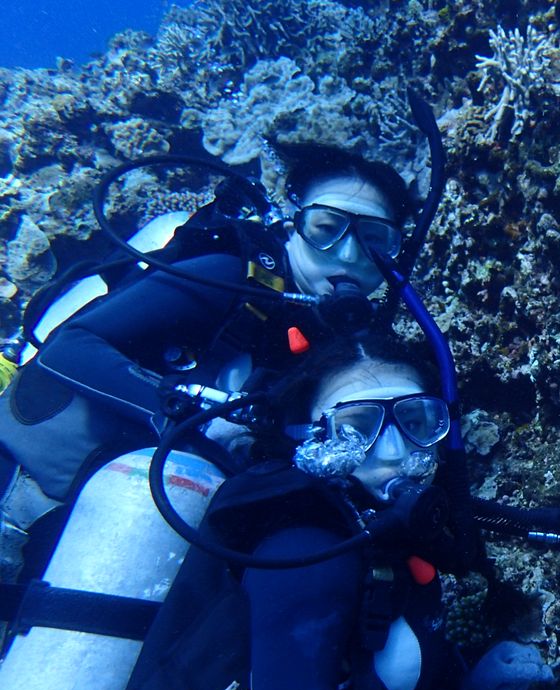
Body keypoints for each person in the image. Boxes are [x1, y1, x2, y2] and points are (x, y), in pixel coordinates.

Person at [39, 338, 553, 690]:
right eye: (356, 427)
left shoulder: (376, 541)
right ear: (310, 439)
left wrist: (465, 682)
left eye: (416, 421)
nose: (393, 451)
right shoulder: (304, 544)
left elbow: (356, 677)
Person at [0, 143, 416, 577]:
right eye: (326, 228)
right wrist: (187, 414)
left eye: (374, 240)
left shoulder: (339, 341)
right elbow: (69, 347)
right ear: (292, 226)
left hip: (111, 532)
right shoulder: (228, 277)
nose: (348, 254)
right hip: (24, 487)